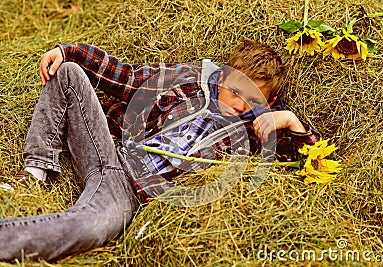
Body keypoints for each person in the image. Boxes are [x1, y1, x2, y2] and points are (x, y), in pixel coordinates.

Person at [0, 40, 319, 262]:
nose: (238, 104)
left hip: (129, 190)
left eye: (250, 100)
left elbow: (307, 161)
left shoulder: (254, 133)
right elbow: (125, 76)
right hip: (111, 149)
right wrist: (67, 51)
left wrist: (290, 120)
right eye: (235, 91)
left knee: (88, 227)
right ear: (223, 76)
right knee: (70, 72)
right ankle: (35, 171)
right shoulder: (187, 80)